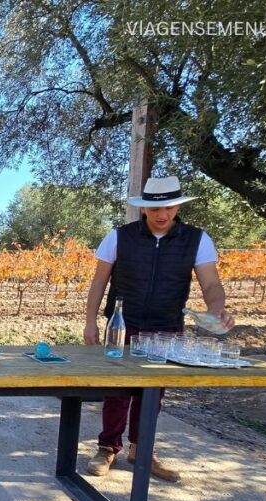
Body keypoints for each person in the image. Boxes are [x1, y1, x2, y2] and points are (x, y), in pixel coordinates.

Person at [83, 176, 235, 482]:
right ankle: (107, 447)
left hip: (167, 328)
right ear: (144, 209)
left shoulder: (197, 239)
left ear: (178, 206)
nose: (162, 214)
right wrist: (89, 321)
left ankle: (142, 449)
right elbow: (99, 281)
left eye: (169, 207)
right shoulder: (118, 237)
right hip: (122, 324)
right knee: (116, 390)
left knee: (153, 393)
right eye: (156, 209)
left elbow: (211, 283)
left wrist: (217, 309)